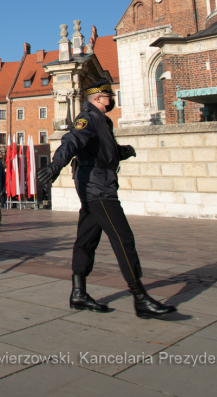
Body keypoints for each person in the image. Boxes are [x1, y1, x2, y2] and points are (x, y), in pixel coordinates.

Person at [40, 79, 176, 319]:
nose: (111, 100)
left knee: (86, 239)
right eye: (108, 96)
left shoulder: (101, 120)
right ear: (98, 99)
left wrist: (119, 152)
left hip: (96, 184)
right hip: (98, 188)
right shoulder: (89, 117)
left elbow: (98, 151)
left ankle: (79, 293)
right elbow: (72, 140)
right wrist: (55, 166)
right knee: (123, 239)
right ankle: (140, 297)